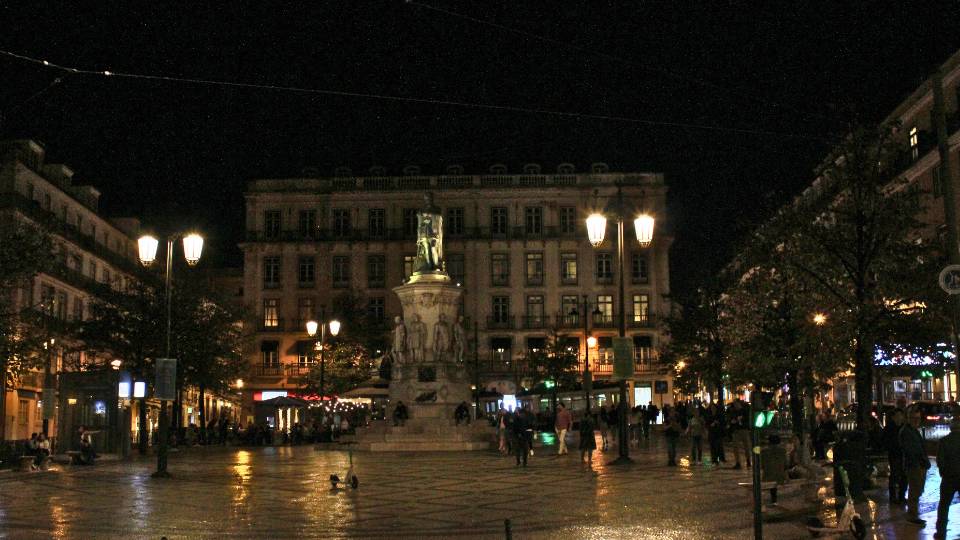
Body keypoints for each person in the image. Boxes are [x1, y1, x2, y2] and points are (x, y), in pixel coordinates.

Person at [900, 405, 930, 526]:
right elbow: (911, 451)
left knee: (917, 490)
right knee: (915, 490)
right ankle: (912, 515)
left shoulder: (913, 431)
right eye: (914, 418)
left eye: (918, 418)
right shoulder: (906, 432)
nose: (916, 421)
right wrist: (920, 461)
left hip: (918, 465)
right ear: (908, 418)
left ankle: (913, 514)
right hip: (914, 465)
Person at [935, 413, 960, 539]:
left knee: (944, 505)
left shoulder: (944, 441)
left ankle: (941, 531)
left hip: (949, 477)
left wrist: (944, 473)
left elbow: (940, 461)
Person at [882, 408, 907, 503]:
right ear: (893, 417)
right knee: (895, 475)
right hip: (894, 454)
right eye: (897, 416)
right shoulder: (889, 428)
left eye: (901, 416)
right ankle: (893, 497)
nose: (899, 418)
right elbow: (886, 442)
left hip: (903, 455)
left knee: (904, 476)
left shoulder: (904, 428)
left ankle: (901, 495)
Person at [728, 398, 751, 469]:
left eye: (736, 404)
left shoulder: (744, 411)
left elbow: (747, 419)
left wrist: (740, 420)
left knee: (746, 446)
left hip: (744, 429)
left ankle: (748, 461)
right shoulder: (733, 411)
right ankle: (738, 462)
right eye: (734, 404)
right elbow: (731, 419)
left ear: (739, 403)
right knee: (735, 447)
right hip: (736, 430)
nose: (735, 405)